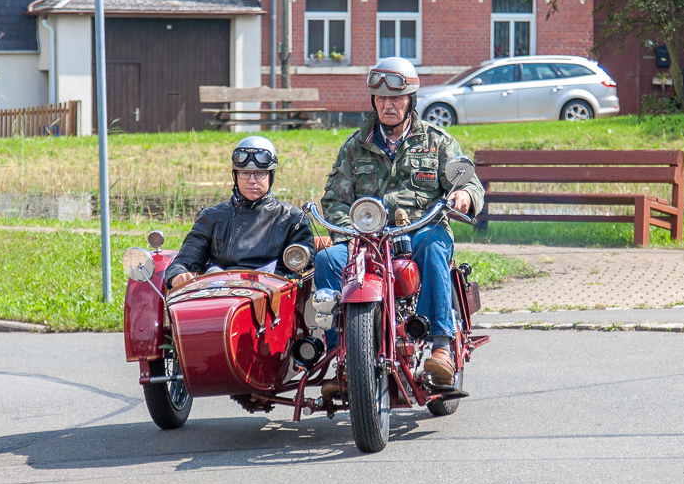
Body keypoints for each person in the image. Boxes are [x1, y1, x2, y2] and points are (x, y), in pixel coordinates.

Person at [315, 57, 485, 386]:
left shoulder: (436, 142)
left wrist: (463, 196)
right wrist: (345, 231)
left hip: (420, 230)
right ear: (373, 101)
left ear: (411, 101)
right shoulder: (355, 147)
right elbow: (334, 200)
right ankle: (339, 358)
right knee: (327, 259)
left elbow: (468, 183)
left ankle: (440, 347)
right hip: (366, 239)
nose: (388, 105)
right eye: (380, 99)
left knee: (435, 246)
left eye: (395, 98)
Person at [164, 136, 314, 288]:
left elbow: (303, 270)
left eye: (259, 173)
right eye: (245, 173)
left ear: (271, 176)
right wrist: (178, 274)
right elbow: (185, 259)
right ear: (235, 176)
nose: (252, 180)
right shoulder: (212, 217)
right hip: (220, 292)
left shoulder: (293, 219)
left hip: (271, 296)